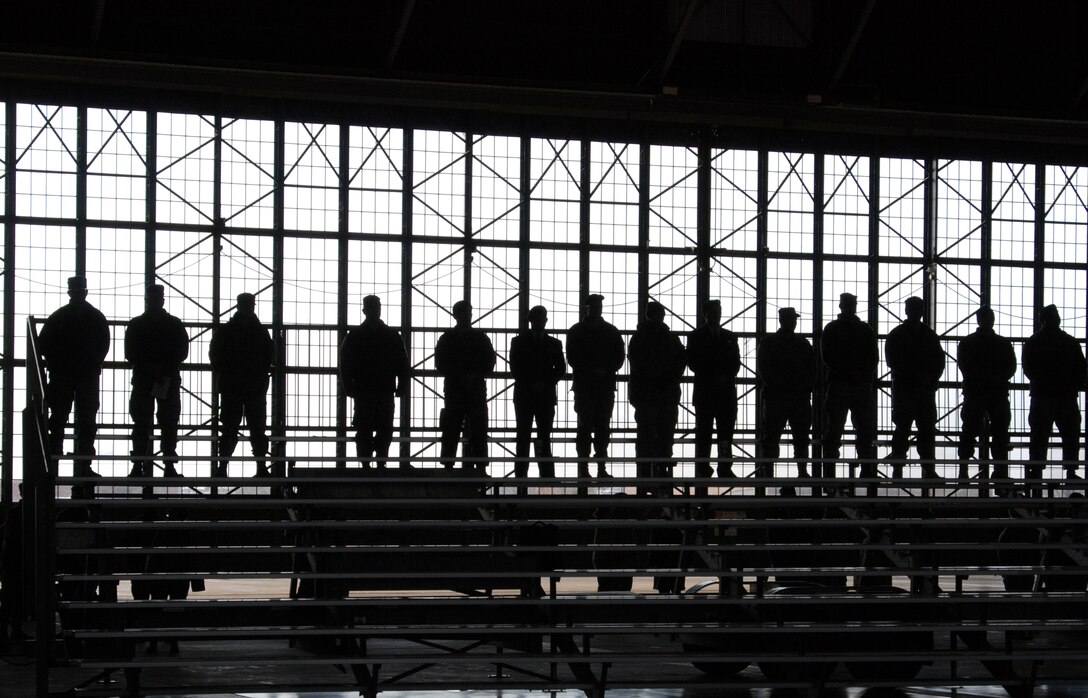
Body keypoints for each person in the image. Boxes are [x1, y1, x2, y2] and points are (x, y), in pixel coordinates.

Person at [37, 276, 111, 478]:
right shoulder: (95, 317)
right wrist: (92, 362)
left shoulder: (58, 317)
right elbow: (104, 345)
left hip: (63, 374)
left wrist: (58, 361)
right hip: (86, 375)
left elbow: (43, 344)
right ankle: (83, 465)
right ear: (85, 292)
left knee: (59, 417)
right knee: (86, 420)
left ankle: (52, 462)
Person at [125, 284, 189, 478]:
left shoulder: (136, 325)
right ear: (163, 300)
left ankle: (138, 466)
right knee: (169, 422)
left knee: (142, 423)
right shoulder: (174, 324)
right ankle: (168, 465)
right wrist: (164, 369)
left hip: (144, 379)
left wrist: (149, 367)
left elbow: (131, 353)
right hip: (167, 379)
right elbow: (182, 352)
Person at [340, 295, 409, 469]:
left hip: (364, 390)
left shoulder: (354, 336)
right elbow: (402, 362)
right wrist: (402, 386)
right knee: (382, 428)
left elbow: (345, 364)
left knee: (367, 428)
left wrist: (349, 387)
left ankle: (366, 463)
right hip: (383, 389)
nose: (375, 310)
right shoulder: (392, 335)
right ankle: (380, 462)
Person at [210, 293, 275, 477]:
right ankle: (261, 467)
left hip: (232, 386)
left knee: (229, 428)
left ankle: (222, 468)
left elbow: (215, 356)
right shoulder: (261, 332)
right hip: (255, 386)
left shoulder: (226, 331)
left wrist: (226, 374)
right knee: (258, 428)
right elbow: (270, 355)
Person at [1022, 304, 1087, 481]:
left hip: (1042, 396)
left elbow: (1028, 369)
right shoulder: (1071, 343)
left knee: (1039, 435)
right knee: (1070, 434)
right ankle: (1071, 470)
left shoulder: (1033, 342)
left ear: (1041, 320)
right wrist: (1072, 386)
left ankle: (1036, 470)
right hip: (1066, 396)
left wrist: (1043, 383)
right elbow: (1082, 369)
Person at [628, 301, 687, 492]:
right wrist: (667, 378)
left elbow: (637, 364)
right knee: (664, 437)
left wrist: (654, 378)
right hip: (665, 394)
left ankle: (646, 478)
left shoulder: (638, 339)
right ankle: (662, 477)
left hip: (647, 394)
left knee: (648, 437)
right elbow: (680, 363)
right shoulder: (671, 339)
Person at [885, 296, 945, 480]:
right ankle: (927, 469)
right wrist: (929, 377)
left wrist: (914, 375)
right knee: (923, 430)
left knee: (905, 429)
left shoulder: (897, 335)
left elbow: (893, 361)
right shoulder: (929, 335)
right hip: (922, 390)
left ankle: (898, 469)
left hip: (906, 390)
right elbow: (939, 361)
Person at [820, 292, 879, 482]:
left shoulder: (832, 329)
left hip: (840, 384)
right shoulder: (865, 330)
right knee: (863, 428)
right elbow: (872, 358)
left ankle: (829, 472)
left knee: (835, 428)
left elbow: (827, 357)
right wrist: (859, 374)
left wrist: (845, 373)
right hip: (859, 384)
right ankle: (865, 467)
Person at [566, 294, 625, 480]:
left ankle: (584, 468)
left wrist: (590, 370)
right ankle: (599, 467)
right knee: (601, 427)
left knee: (587, 427)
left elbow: (573, 357)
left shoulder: (576, 331)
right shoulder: (611, 331)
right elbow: (619, 357)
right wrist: (604, 370)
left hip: (586, 386)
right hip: (603, 386)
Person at [756, 307, 815, 488]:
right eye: (792, 319)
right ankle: (802, 471)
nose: (794, 322)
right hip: (796, 397)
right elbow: (812, 370)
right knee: (799, 435)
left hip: (777, 397)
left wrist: (780, 384)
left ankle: (768, 471)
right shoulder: (803, 344)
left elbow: (765, 370)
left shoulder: (769, 342)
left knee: (773, 436)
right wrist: (802, 385)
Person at [956, 306, 1016, 483]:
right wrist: (997, 378)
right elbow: (1011, 367)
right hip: (997, 392)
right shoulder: (1003, 343)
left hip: (975, 392)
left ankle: (964, 468)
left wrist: (981, 377)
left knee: (969, 430)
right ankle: (999, 470)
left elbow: (966, 367)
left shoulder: (967, 343)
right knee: (1000, 432)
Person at [435, 300, 496, 471]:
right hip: (475, 389)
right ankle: (480, 465)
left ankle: (448, 464)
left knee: (451, 427)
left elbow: (440, 364)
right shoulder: (480, 338)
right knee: (478, 427)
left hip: (455, 389)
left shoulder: (447, 338)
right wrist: (474, 375)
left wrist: (458, 375)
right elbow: (490, 362)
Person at [509, 305, 566, 481]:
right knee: (541, 434)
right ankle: (545, 472)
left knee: (527, 434)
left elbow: (516, 369)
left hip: (525, 394)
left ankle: (522, 472)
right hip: (545, 395)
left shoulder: (518, 342)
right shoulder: (554, 344)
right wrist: (545, 383)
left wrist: (531, 383)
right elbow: (560, 369)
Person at [686, 299, 741, 479]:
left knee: (721, 432)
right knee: (708, 433)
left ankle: (714, 467)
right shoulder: (728, 337)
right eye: (714, 312)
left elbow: (695, 363)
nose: (716, 316)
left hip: (708, 391)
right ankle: (713, 467)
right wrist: (723, 376)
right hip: (718, 392)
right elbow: (693, 362)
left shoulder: (698, 337)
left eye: (718, 312)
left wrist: (714, 375)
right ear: (706, 314)